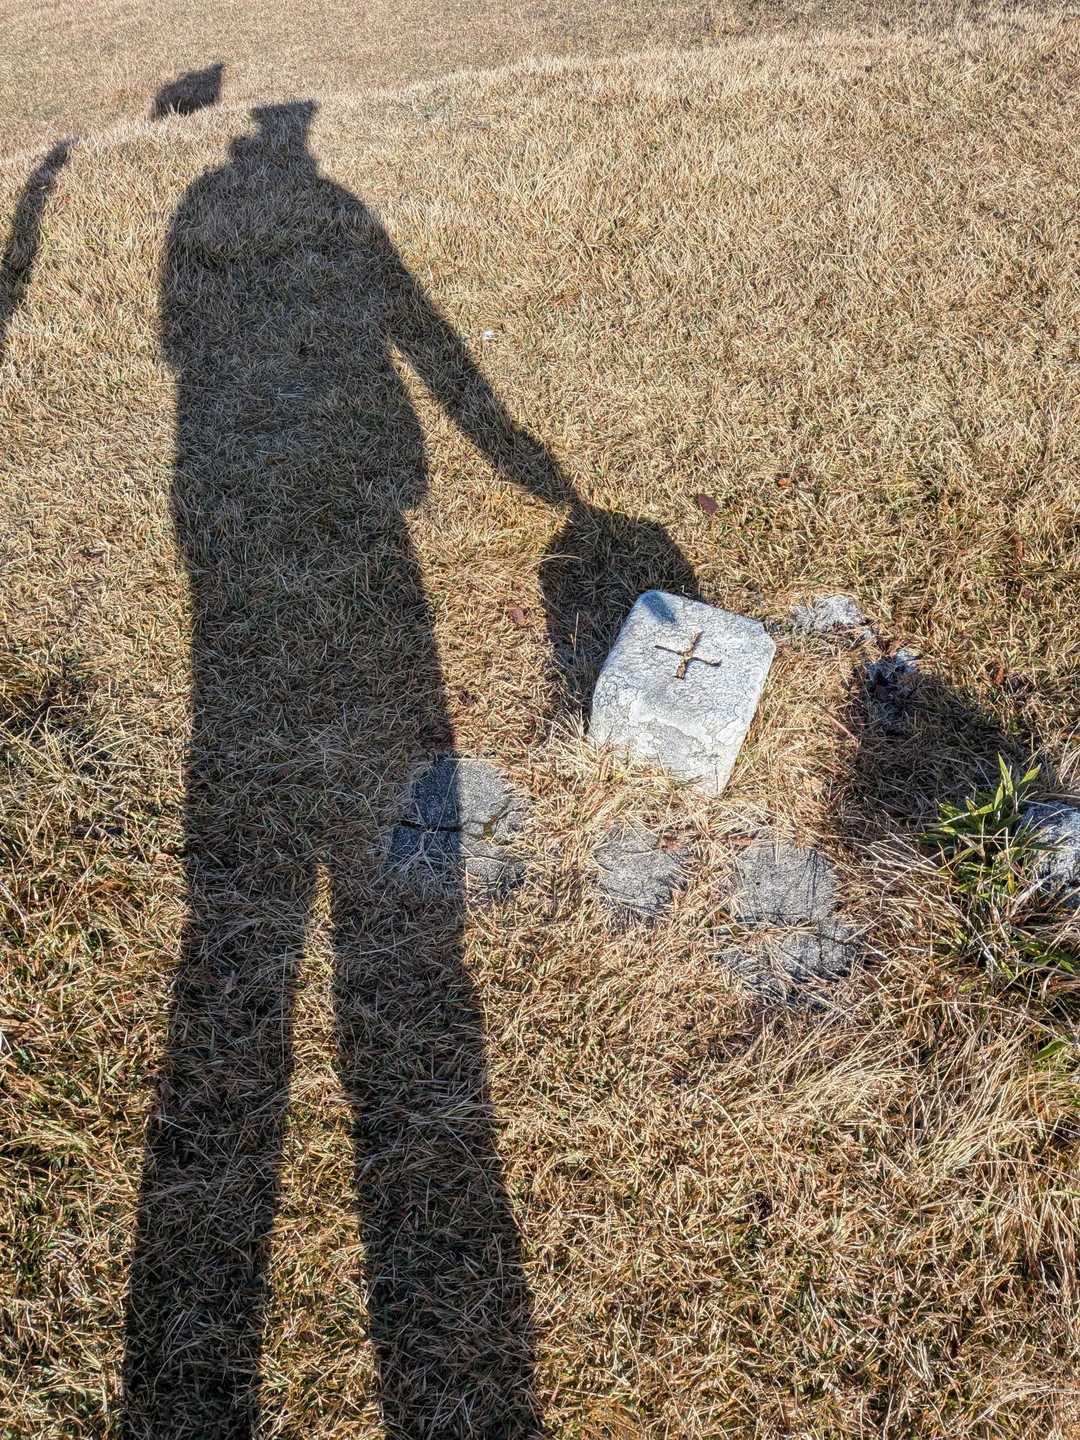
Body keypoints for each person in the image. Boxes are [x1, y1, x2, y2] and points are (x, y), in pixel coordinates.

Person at [123, 99, 694, 1438]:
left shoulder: (224, 214)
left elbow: (189, 344)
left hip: (263, 510)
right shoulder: (282, 212)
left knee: (264, 954)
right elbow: (396, 334)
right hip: (314, 518)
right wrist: (501, 451)